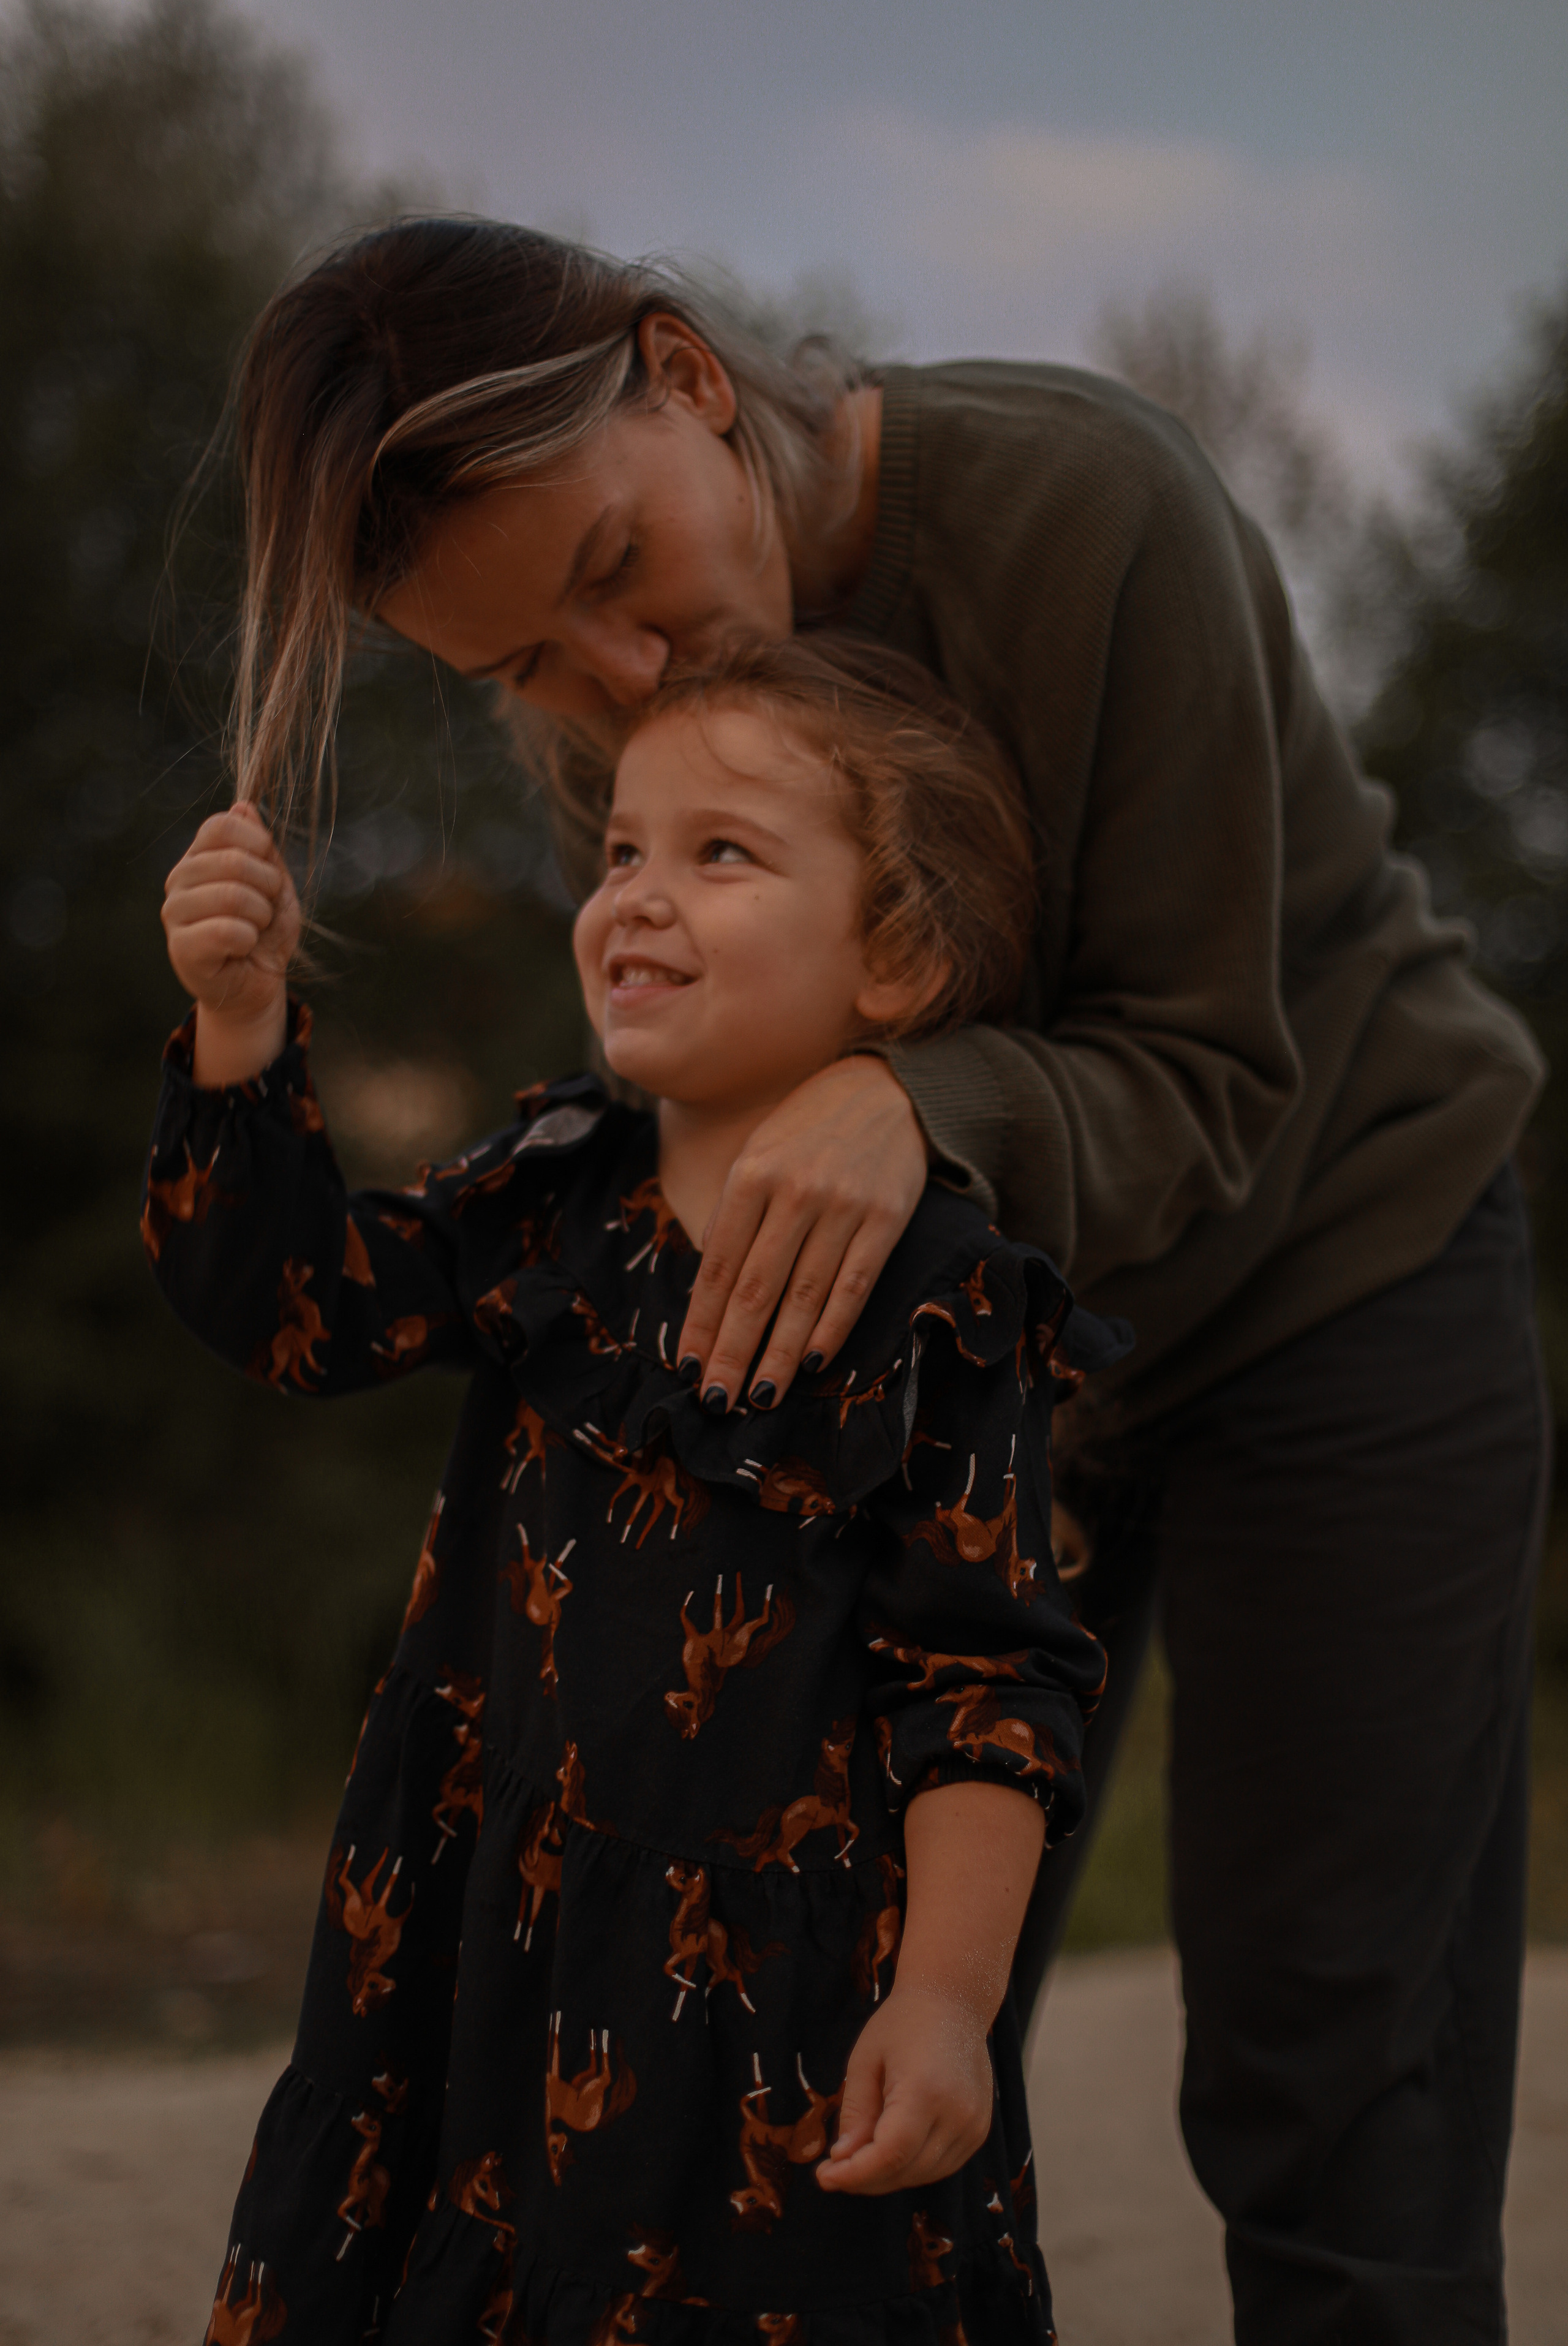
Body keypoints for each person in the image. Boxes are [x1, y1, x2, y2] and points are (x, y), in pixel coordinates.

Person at [207, 219, 1548, 2343]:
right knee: (853, 2034)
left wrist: (917, 1103)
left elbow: (1209, 1072)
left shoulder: (1091, 508)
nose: (616, 690)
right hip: (967, 1357)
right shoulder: (618, 729)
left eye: (610, 570)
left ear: (689, 379)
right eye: (525, 673)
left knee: (1332, 2062)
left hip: (1334, 1268)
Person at [148, 634, 1125, 2343]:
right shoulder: (550, 1194)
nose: (638, 897)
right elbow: (298, 1313)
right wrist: (242, 1022)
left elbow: (987, 1689)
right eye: (620, 850)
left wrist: (954, 2003)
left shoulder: (940, 1301)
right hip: (474, 1974)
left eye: (719, 852)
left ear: (893, 958)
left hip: (756, 2041)